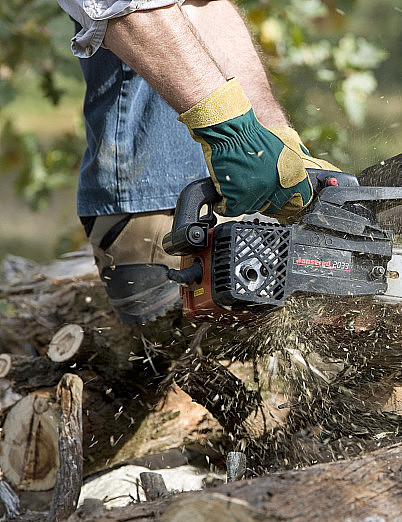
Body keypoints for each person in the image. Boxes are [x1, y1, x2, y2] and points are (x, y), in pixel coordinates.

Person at [56, 0, 338, 324]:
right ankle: (141, 232)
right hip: (156, 219)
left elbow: (203, 6)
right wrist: (235, 134)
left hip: (200, 213)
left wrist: (275, 138)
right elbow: (127, 7)